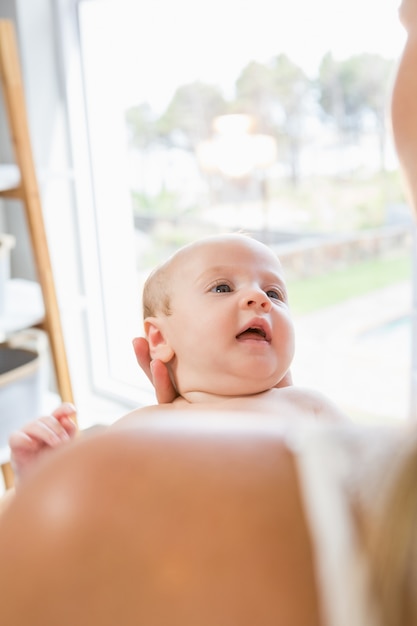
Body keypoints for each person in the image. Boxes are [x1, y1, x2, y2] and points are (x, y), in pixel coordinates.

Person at [8, 232, 348, 482]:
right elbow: (86, 520)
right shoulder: (139, 430)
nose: (259, 298)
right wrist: (45, 477)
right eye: (222, 288)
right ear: (159, 338)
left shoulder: (308, 407)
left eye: (274, 293)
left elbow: (377, 492)